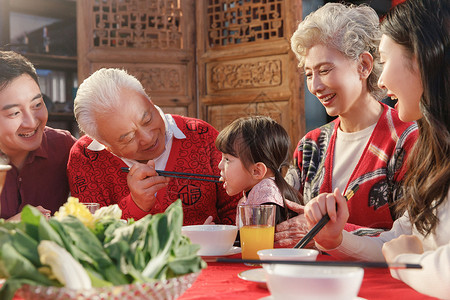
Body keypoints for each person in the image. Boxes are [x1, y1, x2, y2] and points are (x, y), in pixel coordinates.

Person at [303, 0, 449, 298]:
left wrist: (405, 261)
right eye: (308, 73)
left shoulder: (408, 138)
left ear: (422, 58)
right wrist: (334, 239)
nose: (380, 80)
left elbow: (405, 252)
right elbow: (398, 238)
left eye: (385, 59)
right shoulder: (435, 151)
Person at [274, 3, 418, 248]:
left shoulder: (406, 139)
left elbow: (412, 238)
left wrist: (327, 234)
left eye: (325, 70)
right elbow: (285, 220)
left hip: (379, 282)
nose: (315, 86)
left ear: (364, 65)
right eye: (309, 74)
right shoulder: (310, 144)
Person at [68, 68, 240, 225]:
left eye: (148, 119)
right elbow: (91, 234)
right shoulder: (86, 156)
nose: (148, 138)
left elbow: (240, 206)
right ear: (105, 145)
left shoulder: (201, 135)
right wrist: (136, 204)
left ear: (149, 100)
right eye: (128, 138)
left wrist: (221, 236)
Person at [0, 51, 76, 221]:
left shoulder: (64, 147)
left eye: (37, 104)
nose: (32, 122)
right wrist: (9, 226)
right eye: (14, 113)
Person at [215, 116, 301, 224]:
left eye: (227, 159)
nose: (219, 165)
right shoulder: (255, 193)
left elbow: (258, 240)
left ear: (257, 171)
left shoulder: (267, 200)